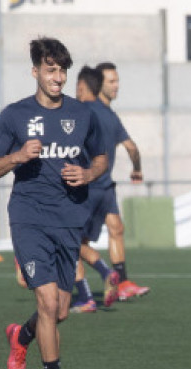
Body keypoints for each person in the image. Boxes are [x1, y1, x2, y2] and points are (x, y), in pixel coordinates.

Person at [0, 37, 107, 369]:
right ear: (35, 71)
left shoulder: (84, 114)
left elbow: (100, 159)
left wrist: (87, 173)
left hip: (69, 220)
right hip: (29, 217)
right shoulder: (15, 115)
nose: (59, 77)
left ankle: (21, 336)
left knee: (61, 311)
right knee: (48, 302)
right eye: (51, 70)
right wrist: (18, 155)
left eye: (63, 70)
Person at [67, 65, 123, 313]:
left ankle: (91, 291)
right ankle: (95, 286)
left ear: (81, 87)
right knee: (80, 241)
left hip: (85, 188)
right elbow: (130, 147)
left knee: (69, 241)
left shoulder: (79, 112)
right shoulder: (109, 114)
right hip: (104, 188)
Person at [93, 61, 150, 301]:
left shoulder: (110, 115)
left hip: (105, 185)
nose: (117, 86)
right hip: (87, 185)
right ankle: (83, 293)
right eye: (112, 82)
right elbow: (132, 148)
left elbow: (131, 147)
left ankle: (121, 281)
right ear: (99, 85)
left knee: (116, 228)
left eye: (118, 81)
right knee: (77, 242)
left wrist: (136, 168)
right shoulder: (90, 110)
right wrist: (137, 168)